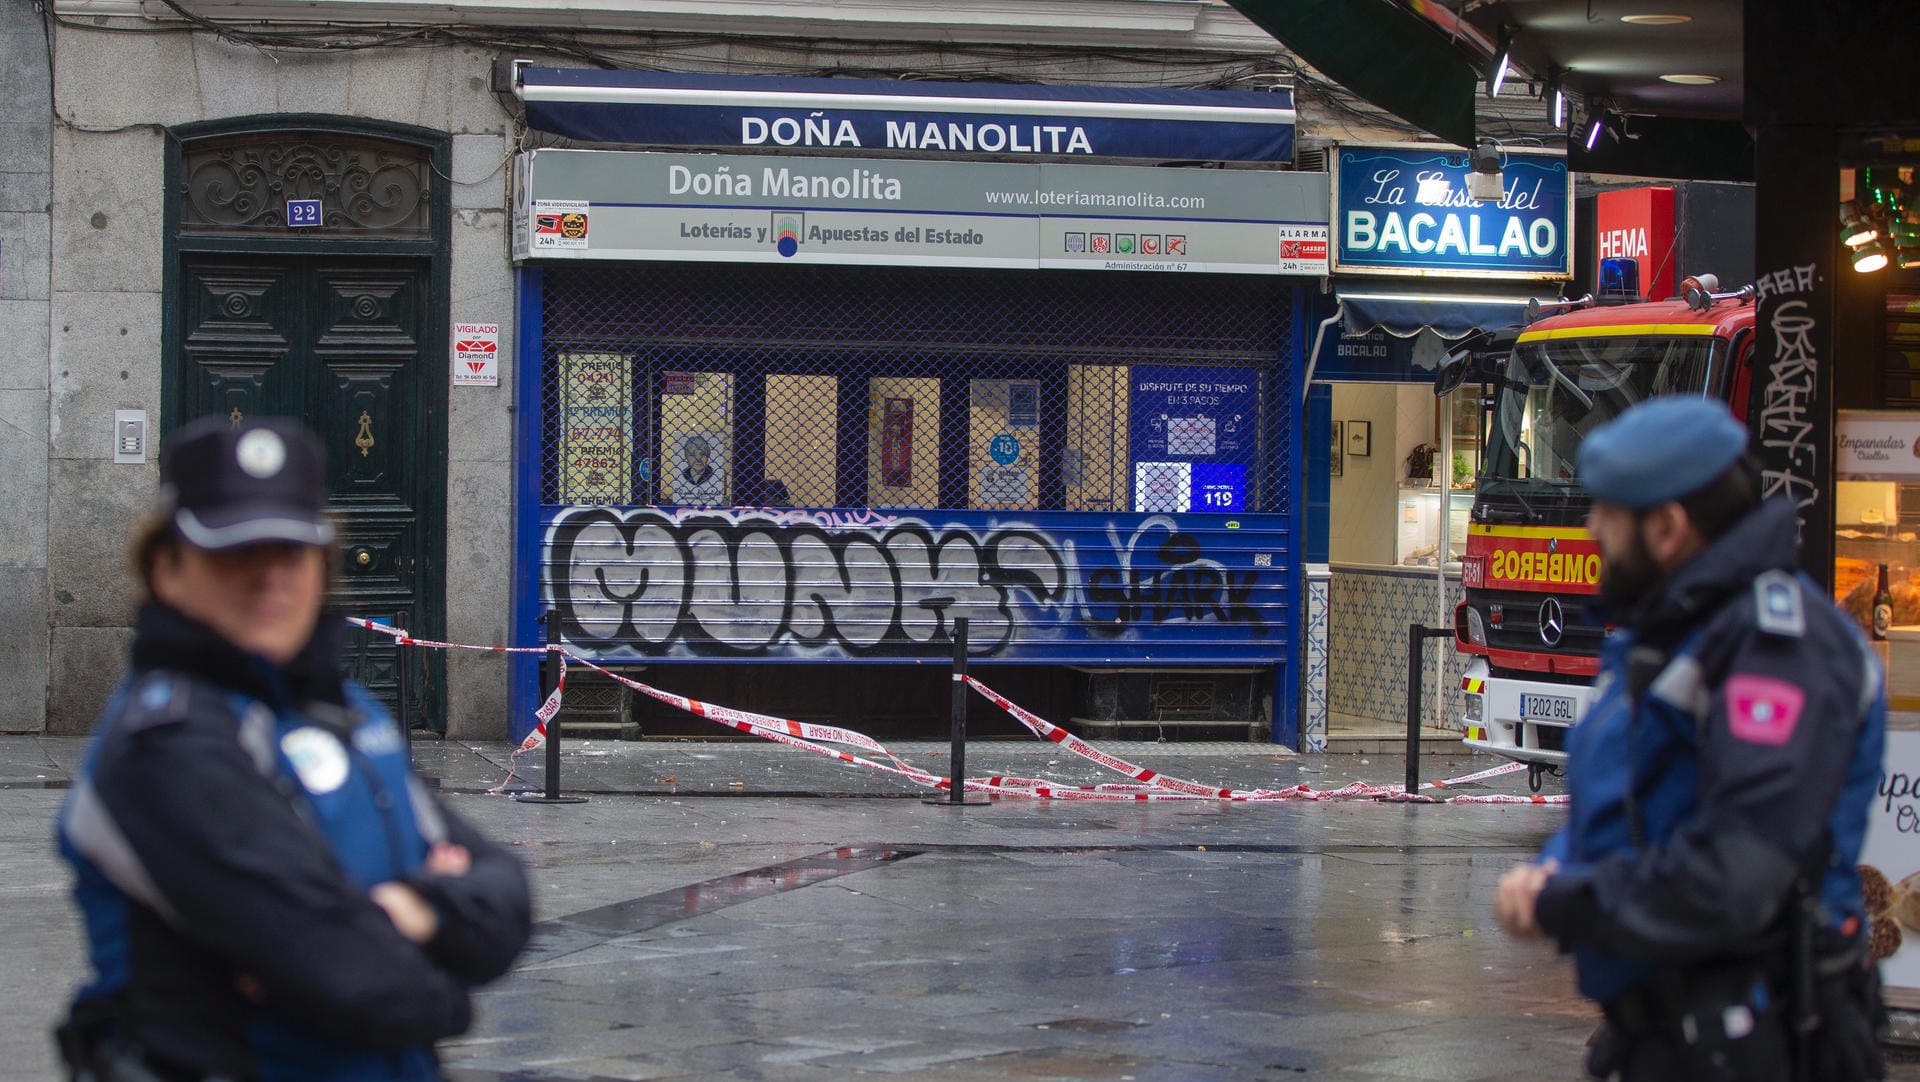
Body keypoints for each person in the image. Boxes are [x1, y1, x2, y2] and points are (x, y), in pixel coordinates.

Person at [55, 417, 531, 1081]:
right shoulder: (166, 746)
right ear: (166, 569)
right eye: (233, 553)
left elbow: (507, 893)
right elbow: (362, 984)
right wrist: (438, 965)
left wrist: (422, 910)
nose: (267, 578)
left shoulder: (343, 709)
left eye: (290, 551)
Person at [1493, 396, 1887, 1081]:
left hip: (1758, 1037)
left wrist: (1573, 900)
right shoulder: (1673, 633)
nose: (1592, 531)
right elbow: (1629, 801)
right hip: (1665, 1030)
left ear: (1669, 528)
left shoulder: (1776, 649)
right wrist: (1557, 867)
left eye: (1608, 513)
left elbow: (1739, 873)